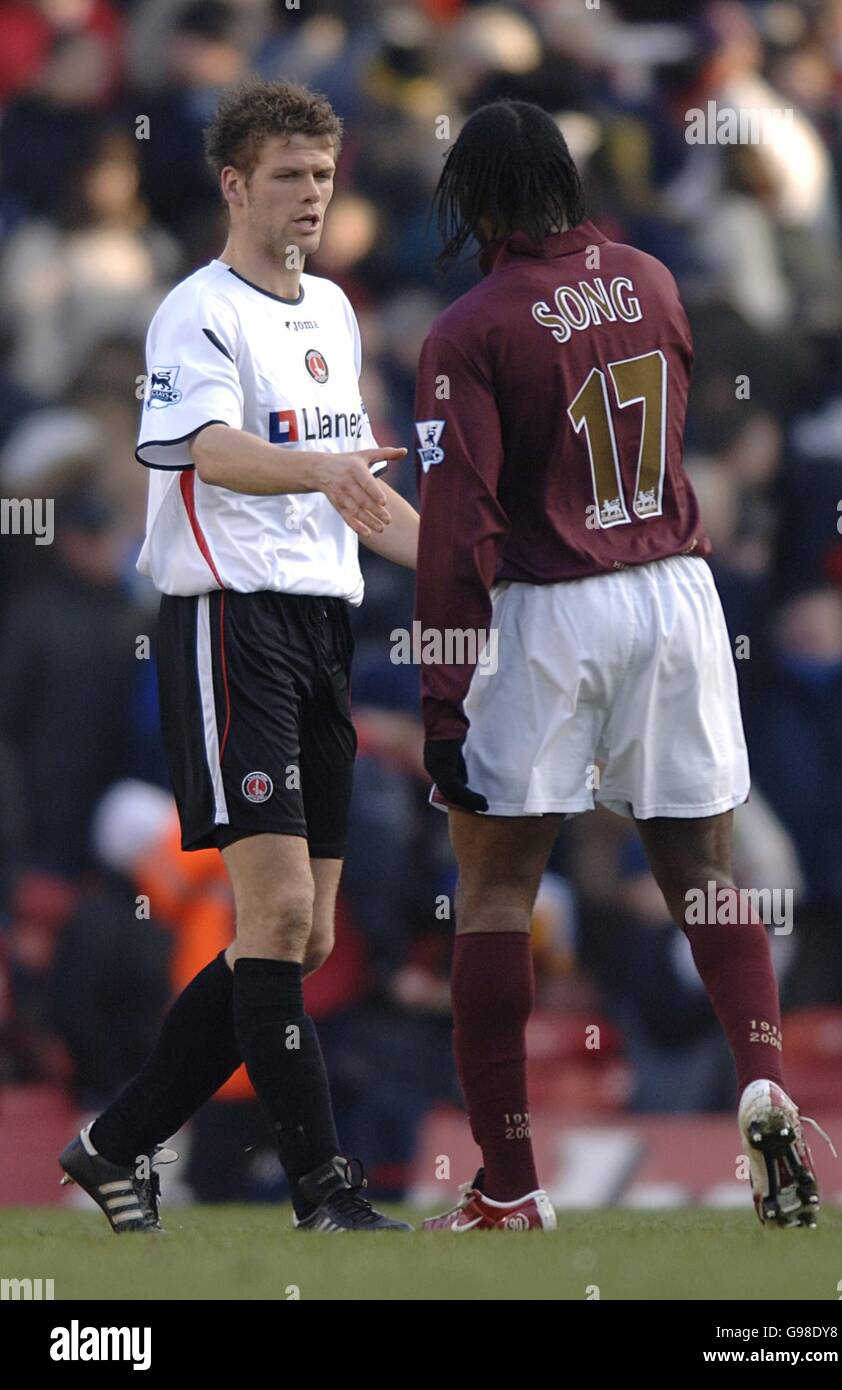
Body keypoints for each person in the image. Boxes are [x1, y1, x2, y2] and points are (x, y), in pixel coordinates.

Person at [414, 101, 824, 1232]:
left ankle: (506, 1185)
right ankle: (764, 1078)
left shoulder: (470, 327)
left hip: (551, 610)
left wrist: (442, 694)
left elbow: (461, 533)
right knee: (701, 868)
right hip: (675, 590)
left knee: (495, 886)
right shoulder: (651, 277)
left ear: (479, 199)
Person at [59, 77, 418, 1234]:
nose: (312, 195)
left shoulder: (335, 314)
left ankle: (112, 1144)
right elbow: (205, 451)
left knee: (305, 935)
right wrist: (315, 467)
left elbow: (352, 486)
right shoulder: (195, 312)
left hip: (324, 627)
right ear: (233, 183)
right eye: (288, 176)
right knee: (268, 920)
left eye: (323, 174)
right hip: (231, 626)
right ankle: (323, 1187)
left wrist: (472, 568)